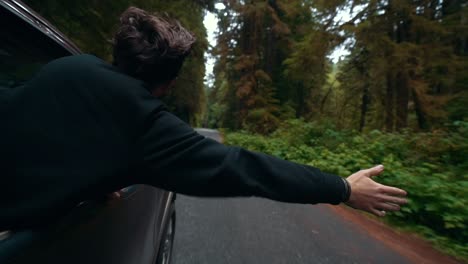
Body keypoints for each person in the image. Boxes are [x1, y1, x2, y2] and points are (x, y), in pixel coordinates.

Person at [0, 7, 407, 231]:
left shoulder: (66, 69)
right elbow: (245, 168)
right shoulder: (145, 124)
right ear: (171, 82)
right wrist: (342, 188)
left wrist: (94, 180)